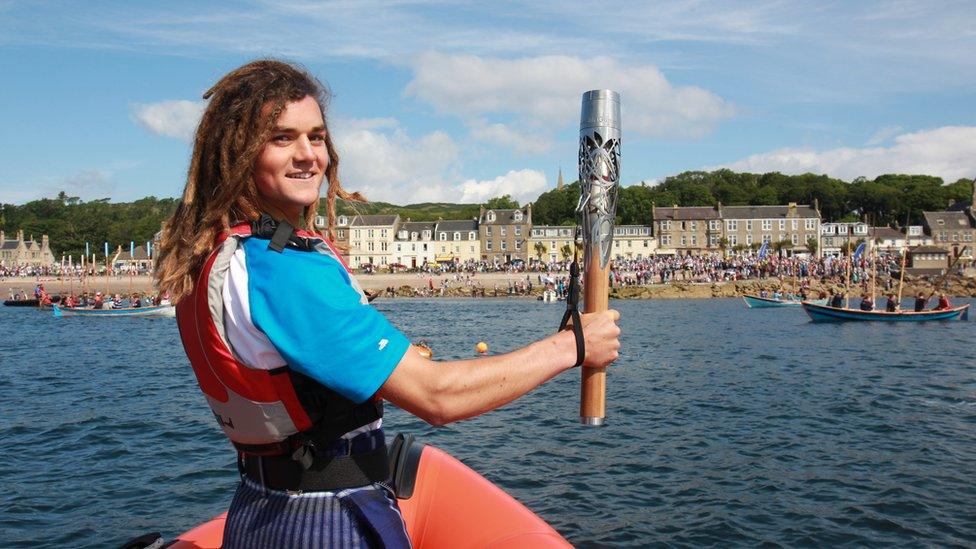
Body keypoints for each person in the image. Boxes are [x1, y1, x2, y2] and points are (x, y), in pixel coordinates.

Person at [152, 60, 621, 548]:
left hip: (257, 511)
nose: (307, 155)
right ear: (239, 153)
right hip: (325, 524)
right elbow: (438, 398)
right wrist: (574, 346)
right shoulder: (285, 271)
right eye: (282, 138)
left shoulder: (221, 254)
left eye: (316, 136)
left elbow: (287, 371)